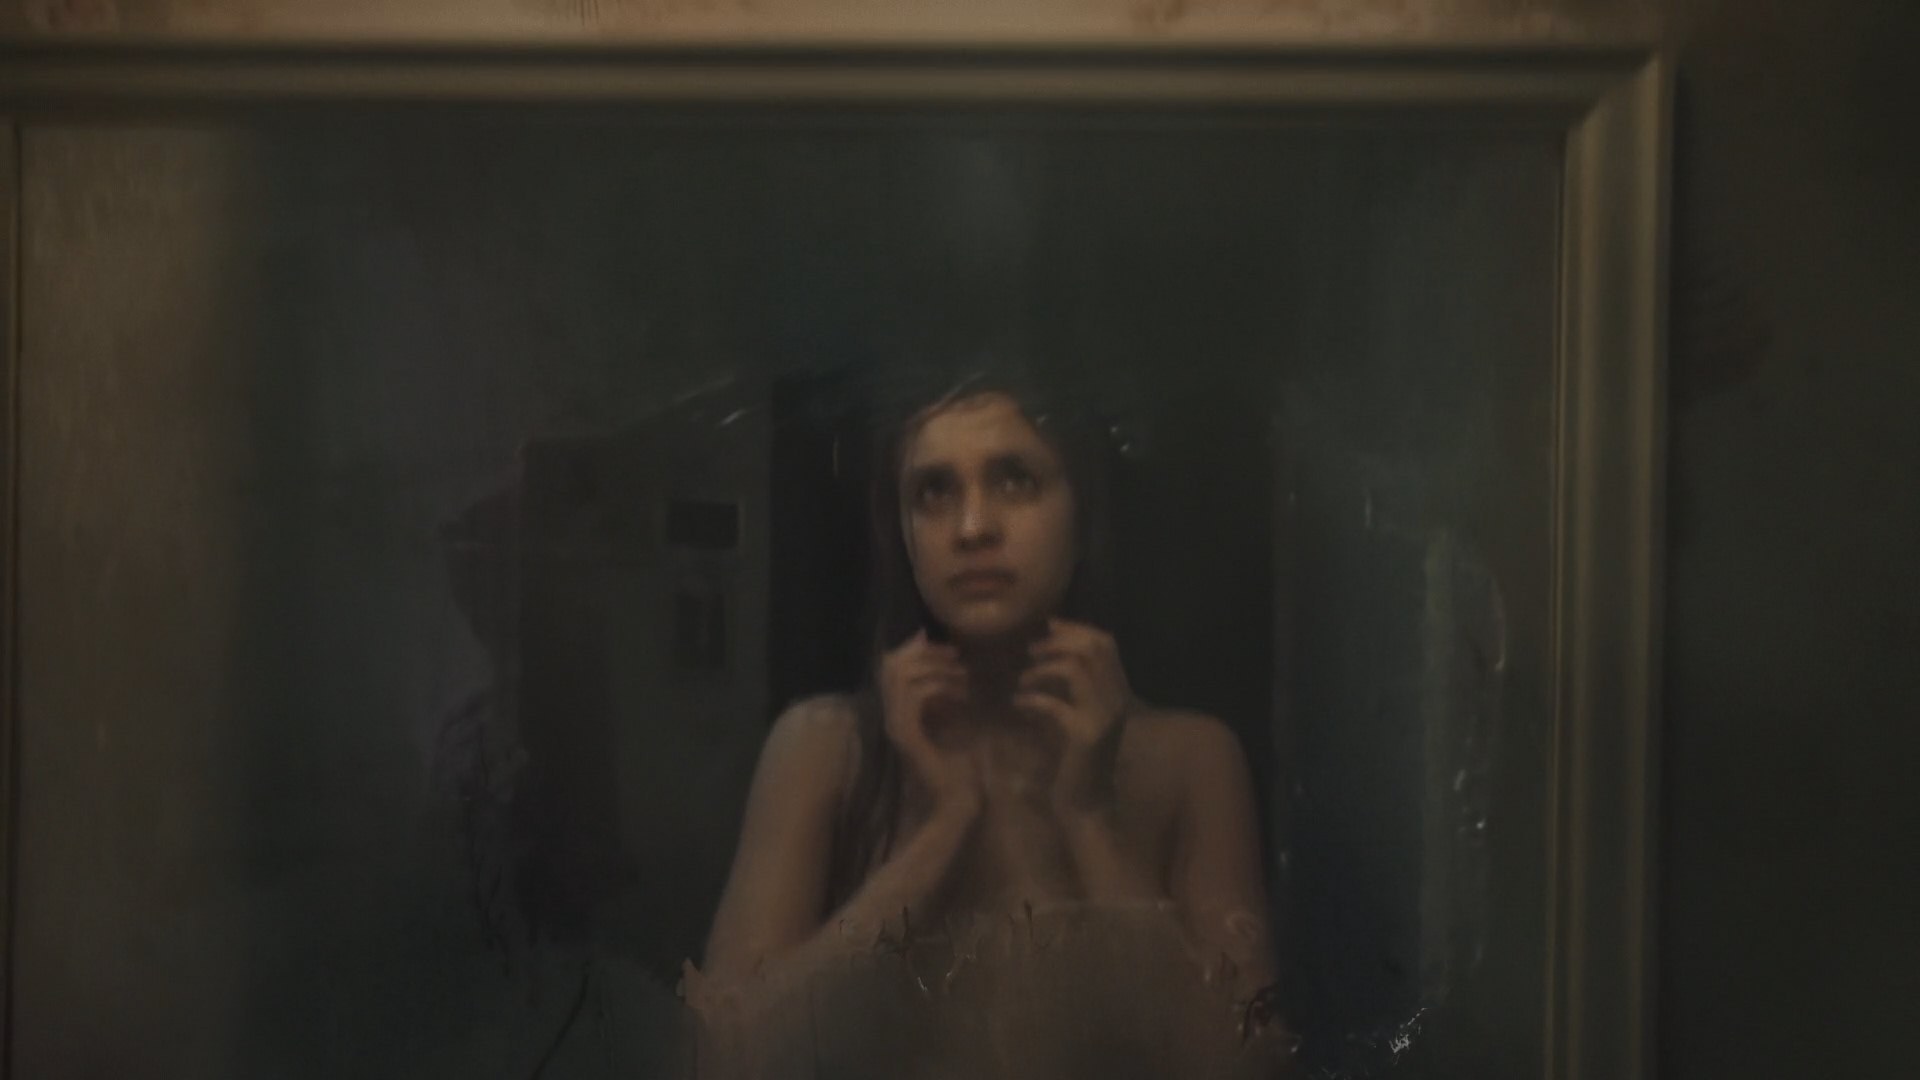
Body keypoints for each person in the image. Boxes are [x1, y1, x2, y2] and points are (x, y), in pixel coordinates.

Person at [683, 370, 1292, 1078]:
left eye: (1015, 481)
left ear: (1081, 513)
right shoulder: (824, 747)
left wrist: (1089, 817)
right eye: (934, 492)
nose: (973, 528)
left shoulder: (1189, 758)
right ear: (902, 533)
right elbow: (722, 1061)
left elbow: (1243, 1068)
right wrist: (943, 827)